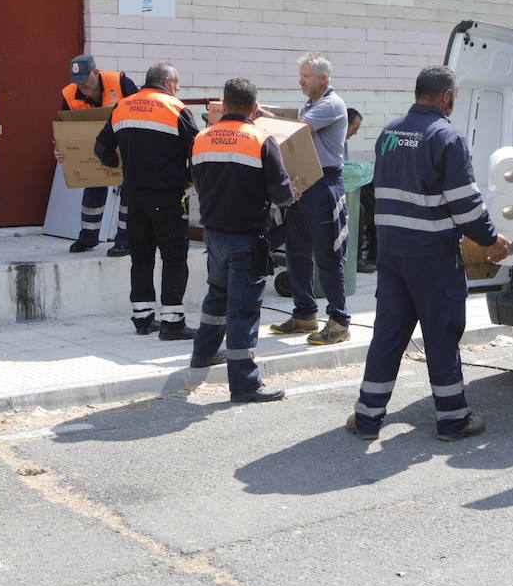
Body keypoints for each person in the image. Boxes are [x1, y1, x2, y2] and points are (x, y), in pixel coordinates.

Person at [347, 66, 510, 441]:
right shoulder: (446, 137)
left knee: (388, 334)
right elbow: (466, 205)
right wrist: (491, 240)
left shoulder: (389, 132)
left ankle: (368, 418)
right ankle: (453, 420)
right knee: (441, 334)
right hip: (432, 256)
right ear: (446, 97)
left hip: (392, 255)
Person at [190, 78, 296, 402]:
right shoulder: (261, 140)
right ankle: (245, 384)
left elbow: (197, 181)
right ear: (254, 108)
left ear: (224, 104)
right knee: (244, 310)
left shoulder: (201, 139)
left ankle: (204, 355)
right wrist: (294, 193)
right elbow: (281, 194)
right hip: (247, 238)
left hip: (214, 236)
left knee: (216, 297)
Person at [94, 63, 199, 340]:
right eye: (176, 84)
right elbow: (197, 150)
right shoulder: (176, 109)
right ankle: (173, 323)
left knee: (141, 256)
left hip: (133, 196)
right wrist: (190, 177)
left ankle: (143, 319)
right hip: (167, 197)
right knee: (174, 258)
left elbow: (101, 146)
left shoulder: (122, 107)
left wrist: (115, 163)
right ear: (167, 82)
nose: (177, 89)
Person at [267, 53, 351, 346]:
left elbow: (296, 130)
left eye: (306, 76)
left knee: (328, 256)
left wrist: (260, 117)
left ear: (323, 79)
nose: (300, 81)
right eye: (301, 75)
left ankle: (339, 322)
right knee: (297, 252)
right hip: (304, 185)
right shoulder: (311, 104)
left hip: (324, 184)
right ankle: (305, 314)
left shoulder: (331, 104)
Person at [57, 54, 136, 257]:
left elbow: (138, 112)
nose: (82, 86)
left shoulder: (121, 83)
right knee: (93, 187)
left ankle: (125, 241)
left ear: (95, 72)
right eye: (77, 82)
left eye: (85, 79)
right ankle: (88, 238)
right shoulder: (69, 94)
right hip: (95, 150)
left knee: (128, 191)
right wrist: (60, 148)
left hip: (125, 145)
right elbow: (66, 128)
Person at [346, 106, 376, 274]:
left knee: (370, 199)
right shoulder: (334, 141)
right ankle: (356, 259)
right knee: (359, 211)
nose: (356, 133)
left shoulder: (342, 142)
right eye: (354, 128)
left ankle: (373, 255)